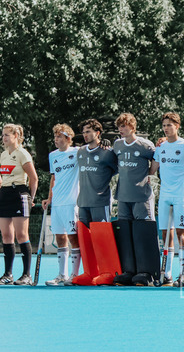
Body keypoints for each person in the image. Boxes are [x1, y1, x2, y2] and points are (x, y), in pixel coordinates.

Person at [149, 113, 184, 286]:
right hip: (165, 195)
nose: (166, 128)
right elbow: (152, 169)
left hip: (181, 195)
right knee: (166, 234)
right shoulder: (161, 147)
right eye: (164, 125)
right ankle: (166, 274)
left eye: (169, 125)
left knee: (182, 233)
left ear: (177, 126)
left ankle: (183, 273)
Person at [42, 124, 81, 286]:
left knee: (73, 238)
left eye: (59, 136)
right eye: (55, 136)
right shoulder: (53, 155)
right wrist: (49, 198)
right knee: (60, 237)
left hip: (71, 203)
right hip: (57, 203)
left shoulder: (77, 152)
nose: (56, 139)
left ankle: (74, 275)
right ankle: (62, 275)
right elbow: (54, 178)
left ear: (68, 138)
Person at [0, 124, 38, 285]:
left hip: (19, 194)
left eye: (7, 135)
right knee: (6, 235)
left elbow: (33, 178)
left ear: (16, 136)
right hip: (5, 194)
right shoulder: (3, 155)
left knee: (21, 235)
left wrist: (31, 198)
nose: (4, 138)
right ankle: (8, 274)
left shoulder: (23, 153)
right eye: (3, 135)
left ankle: (26, 275)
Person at [113, 113, 155, 222]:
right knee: (124, 230)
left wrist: (149, 173)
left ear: (132, 127)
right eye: (119, 126)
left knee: (144, 230)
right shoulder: (117, 144)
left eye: (123, 126)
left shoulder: (145, 145)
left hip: (141, 197)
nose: (120, 129)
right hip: (123, 197)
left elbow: (157, 158)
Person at [76, 119, 118, 227]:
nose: (85, 135)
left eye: (88, 131)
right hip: (83, 203)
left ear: (97, 133)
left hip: (100, 202)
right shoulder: (80, 151)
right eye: (84, 132)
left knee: (101, 236)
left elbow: (118, 170)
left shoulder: (107, 152)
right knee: (85, 236)